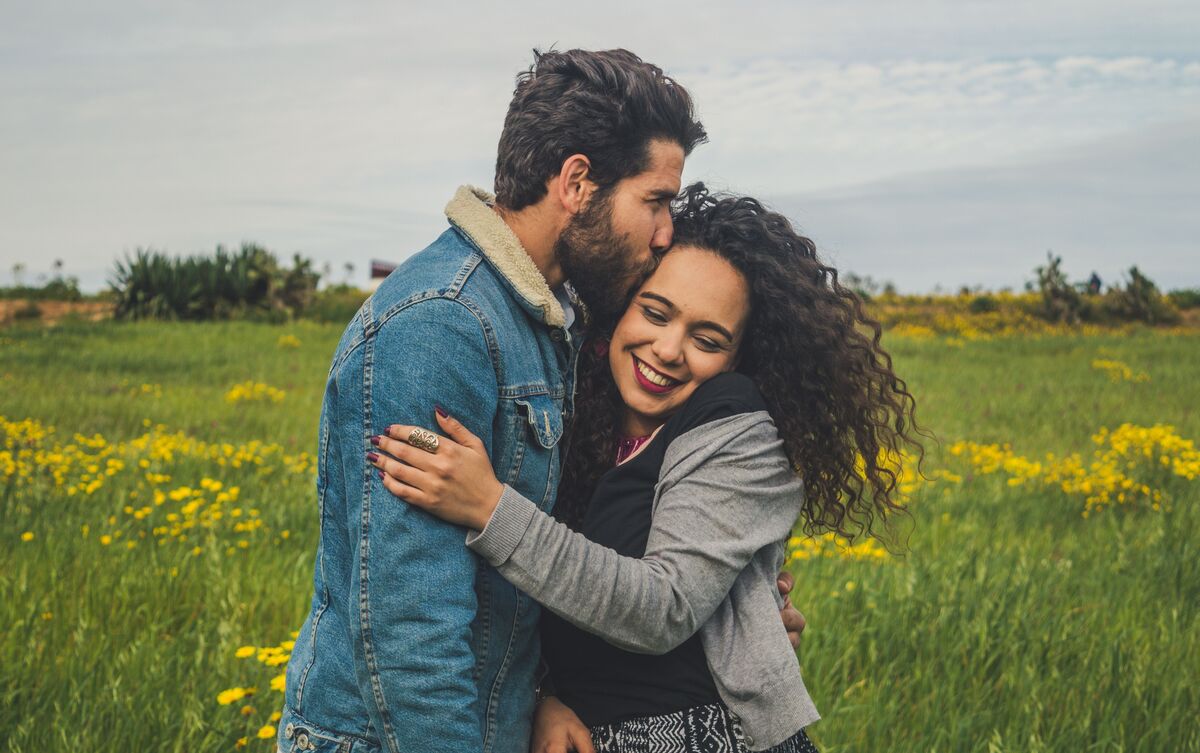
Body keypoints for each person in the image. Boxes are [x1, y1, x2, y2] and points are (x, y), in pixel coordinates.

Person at [278, 50, 804, 753]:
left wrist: (539, 696)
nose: (666, 231)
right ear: (578, 183)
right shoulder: (444, 325)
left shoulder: (552, 317)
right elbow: (411, 629)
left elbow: (513, 589)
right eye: (655, 200)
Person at [370, 185, 922, 752]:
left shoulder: (739, 428)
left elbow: (662, 608)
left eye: (707, 339)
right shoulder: (573, 414)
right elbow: (540, 596)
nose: (667, 349)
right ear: (618, 308)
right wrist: (543, 695)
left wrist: (489, 508)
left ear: (738, 358)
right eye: (655, 313)